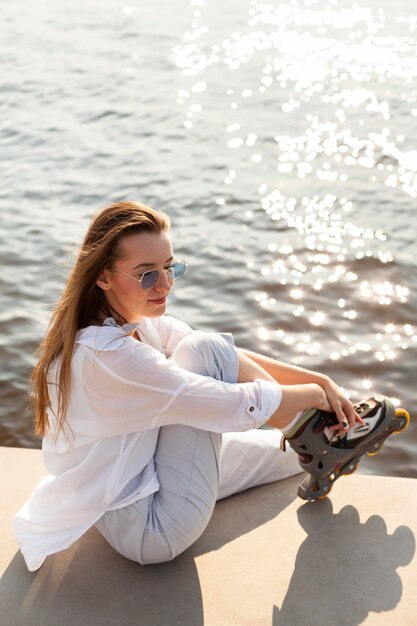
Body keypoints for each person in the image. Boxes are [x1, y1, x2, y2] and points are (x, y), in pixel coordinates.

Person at [13, 200, 365, 572]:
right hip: (151, 528)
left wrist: (319, 380)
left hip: (138, 473)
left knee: (290, 455)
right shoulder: (111, 357)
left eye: (169, 268)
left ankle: (311, 440)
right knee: (206, 350)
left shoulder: (125, 322)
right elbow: (229, 404)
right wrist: (313, 397)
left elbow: (229, 355)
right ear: (103, 277)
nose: (164, 284)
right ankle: (309, 428)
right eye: (147, 274)